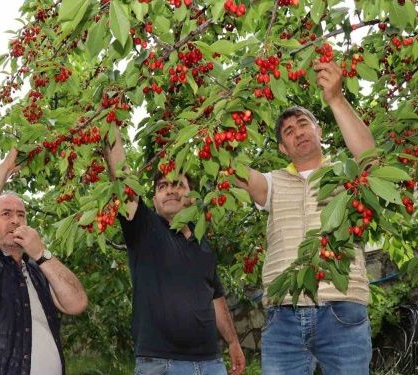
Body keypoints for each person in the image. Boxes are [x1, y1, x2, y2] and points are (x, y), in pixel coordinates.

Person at [235, 60, 376, 374]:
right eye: (288, 131)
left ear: (319, 130)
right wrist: (224, 115)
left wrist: (336, 98)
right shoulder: (272, 182)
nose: (297, 133)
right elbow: (230, 168)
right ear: (283, 148)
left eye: (303, 124)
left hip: (341, 306)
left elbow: (369, 158)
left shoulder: (345, 174)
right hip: (283, 316)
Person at [104, 128, 246, 375]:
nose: (169, 190)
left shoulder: (203, 243)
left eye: (178, 185)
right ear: (155, 200)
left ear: (191, 197)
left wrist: (233, 342)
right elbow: (123, 178)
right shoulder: (145, 228)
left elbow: (216, 297)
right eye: (162, 186)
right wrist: (109, 116)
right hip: (160, 363)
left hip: (211, 363)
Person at [0, 149, 87, 375]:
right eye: (6, 214)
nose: (15, 220)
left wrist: (41, 253)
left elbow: (77, 303)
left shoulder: (37, 268)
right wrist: (5, 168)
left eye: (21, 214)